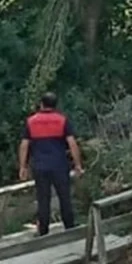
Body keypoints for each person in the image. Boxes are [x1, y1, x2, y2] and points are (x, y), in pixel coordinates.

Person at [18, 92, 84, 236]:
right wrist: (77, 164)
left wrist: (23, 166)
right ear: (55, 105)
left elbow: (24, 145)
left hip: (40, 166)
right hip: (60, 165)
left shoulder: (31, 121)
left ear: (41, 104)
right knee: (64, 196)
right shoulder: (62, 120)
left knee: (43, 198)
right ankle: (70, 226)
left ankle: (43, 230)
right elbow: (72, 144)